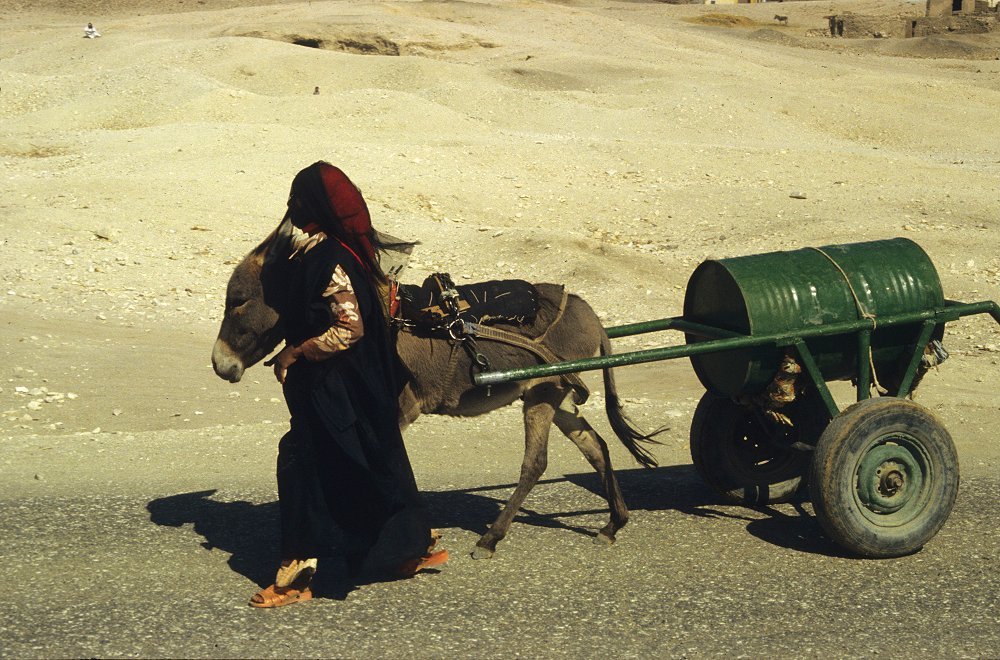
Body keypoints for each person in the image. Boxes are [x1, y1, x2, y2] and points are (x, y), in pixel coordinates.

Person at [249, 162, 447, 608]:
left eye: (297, 200)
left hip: (337, 393)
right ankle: (404, 547)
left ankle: (299, 577)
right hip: (341, 391)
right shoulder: (323, 251)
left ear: (314, 206)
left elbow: (349, 328)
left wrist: (296, 351)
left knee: (310, 470)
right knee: (367, 467)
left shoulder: (331, 259)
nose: (290, 208)